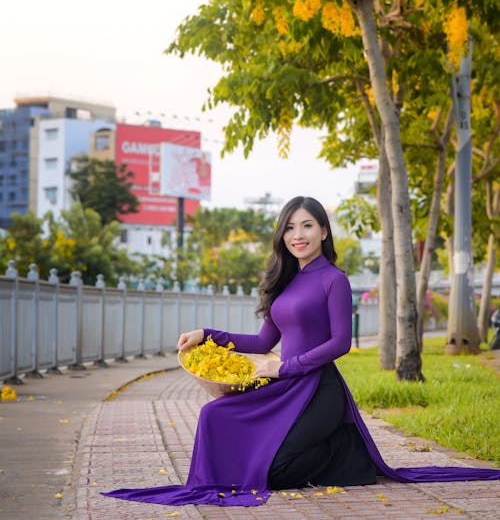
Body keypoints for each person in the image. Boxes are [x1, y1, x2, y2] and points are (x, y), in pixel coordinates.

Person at [103, 196, 500, 508]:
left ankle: (348, 451)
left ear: (324, 231)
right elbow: (261, 343)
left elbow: (340, 344)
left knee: (277, 471)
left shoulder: (334, 281)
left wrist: (287, 367)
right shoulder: (286, 282)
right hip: (286, 383)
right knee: (214, 414)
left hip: (319, 390)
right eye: (291, 227)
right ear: (283, 234)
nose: (299, 234)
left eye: (307, 225)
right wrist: (206, 334)